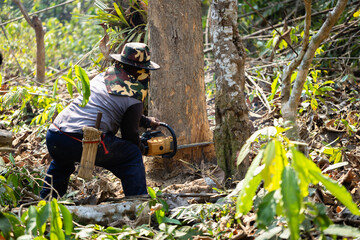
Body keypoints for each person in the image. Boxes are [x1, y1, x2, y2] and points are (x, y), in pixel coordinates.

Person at [40, 42, 161, 199]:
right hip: (80, 139)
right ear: (140, 71)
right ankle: (138, 203)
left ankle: (45, 202)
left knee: (62, 163)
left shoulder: (104, 76)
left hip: (56, 134)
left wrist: (146, 121)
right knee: (131, 155)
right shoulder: (134, 95)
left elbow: (114, 107)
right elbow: (129, 133)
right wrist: (142, 149)